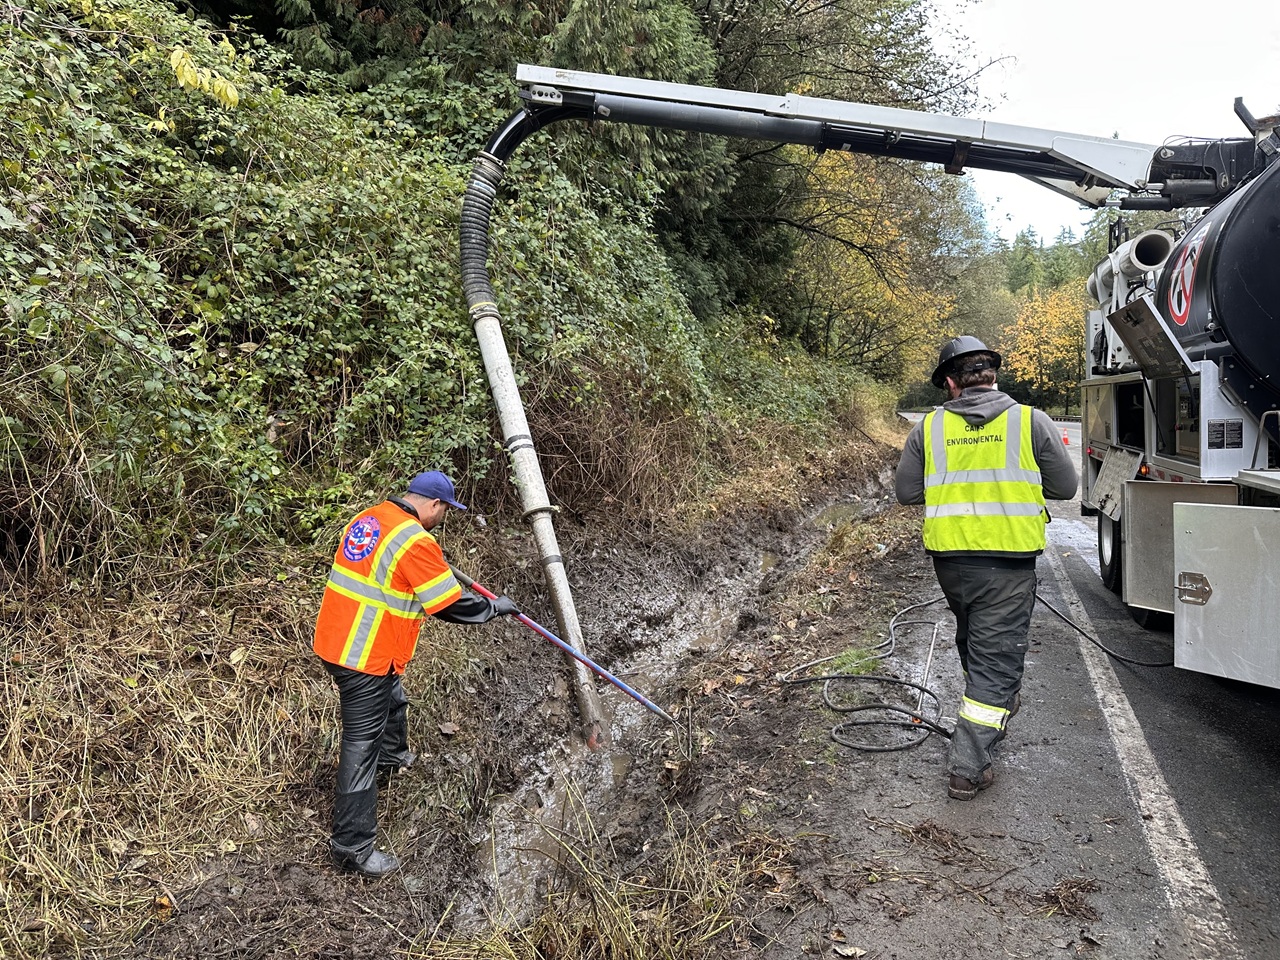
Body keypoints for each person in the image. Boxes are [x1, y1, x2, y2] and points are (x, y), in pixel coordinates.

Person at [894, 337, 1078, 800]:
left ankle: (994, 699)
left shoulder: (929, 428)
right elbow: (1065, 486)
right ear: (992, 375)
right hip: (1008, 565)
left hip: (951, 564)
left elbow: (907, 492)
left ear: (951, 383)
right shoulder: (1031, 421)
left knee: (974, 641)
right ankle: (967, 764)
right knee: (995, 663)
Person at [313, 470, 520, 877]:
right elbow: (448, 604)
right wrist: (494, 608)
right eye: (445, 510)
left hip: (338, 641)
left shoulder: (370, 519)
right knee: (360, 745)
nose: (443, 517)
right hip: (363, 655)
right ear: (434, 505)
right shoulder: (415, 540)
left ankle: (391, 760)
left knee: (392, 700)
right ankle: (352, 848)